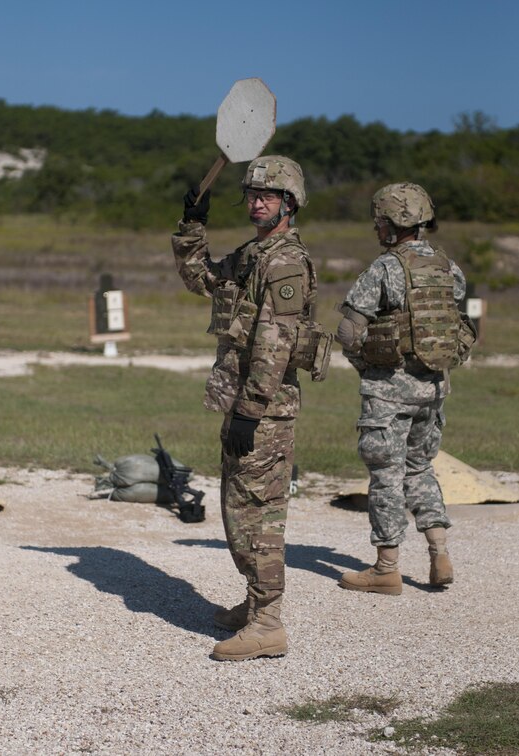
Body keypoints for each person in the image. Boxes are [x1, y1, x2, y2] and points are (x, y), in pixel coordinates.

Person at [172, 156, 325, 660]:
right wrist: (193, 225)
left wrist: (250, 410)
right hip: (244, 401)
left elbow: (276, 342)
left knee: (256, 513)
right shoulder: (253, 254)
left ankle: (267, 623)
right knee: (238, 508)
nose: (258, 202)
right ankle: (256, 603)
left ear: (290, 202)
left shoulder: (284, 262)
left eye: (269, 195)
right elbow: (202, 279)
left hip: (264, 408)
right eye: (253, 194)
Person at [335, 183, 475, 596]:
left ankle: (386, 568)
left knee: (386, 476)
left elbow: (348, 330)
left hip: (388, 393)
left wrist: (363, 362)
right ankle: (439, 553)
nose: (376, 228)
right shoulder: (449, 267)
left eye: (379, 221)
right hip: (433, 390)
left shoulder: (385, 267)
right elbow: (458, 322)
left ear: (394, 224)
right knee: (420, 469)